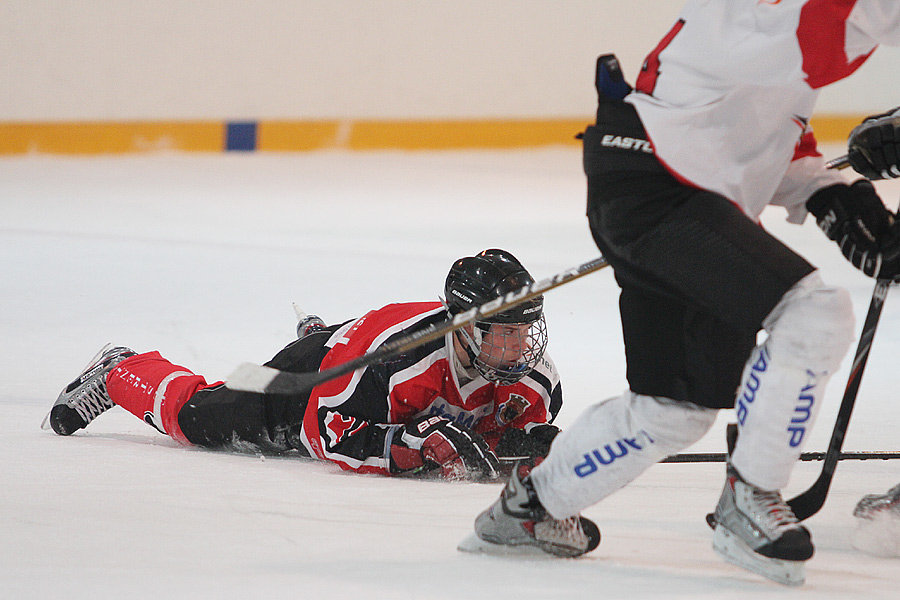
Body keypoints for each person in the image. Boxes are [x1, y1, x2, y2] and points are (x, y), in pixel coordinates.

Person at [462, 1, 900, 586]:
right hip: (663, 194)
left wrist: (832, 194)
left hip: (654, 192)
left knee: (673, 410)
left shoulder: (773, 44)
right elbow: (854, 19)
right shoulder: (768, 19)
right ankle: (750, 496)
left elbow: (771, 147)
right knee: (816, 314)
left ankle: (528, 509)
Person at [44, 249, 566, 482]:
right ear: (464, 329)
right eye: (504, 335)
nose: (518, 349)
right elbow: (324, 431)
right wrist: (402, 448)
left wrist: (531, 443)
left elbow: (509, 434)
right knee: (200, 417)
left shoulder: (536, 378)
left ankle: (324, 330)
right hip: (320, 375)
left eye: (524, 332)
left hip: (359, 350)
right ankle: (121, 370)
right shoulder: (397, 361)